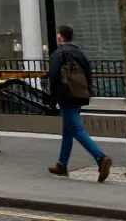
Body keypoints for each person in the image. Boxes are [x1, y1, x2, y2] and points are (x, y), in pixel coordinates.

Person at [47, 25, 111, 181]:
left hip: (65, 95)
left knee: (75, 129)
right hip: (79, 94)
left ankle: (100, 158)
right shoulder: (79, 53)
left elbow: (54, 77)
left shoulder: (59, 54)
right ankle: (62, 164)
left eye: (57, 36)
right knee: (68, 131)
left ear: (60, 38)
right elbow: (88, 74)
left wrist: (52, 96)